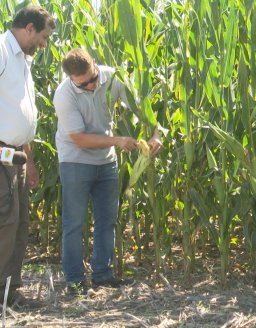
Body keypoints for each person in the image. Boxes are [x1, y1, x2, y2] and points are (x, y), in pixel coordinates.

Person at [53, 48, 162, 296]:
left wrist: (155, 133)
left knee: (107, 220)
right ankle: (75, 282)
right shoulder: (64, 95)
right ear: (72, 79)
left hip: (106, 163)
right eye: (83, 85)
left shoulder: (112, 77)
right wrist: (117, 141)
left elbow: (141, 107)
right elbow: (80, 139)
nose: (91, 87)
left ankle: (102, 275)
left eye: (92, 80)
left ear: (94, 64)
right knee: (75, 223)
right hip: (75, 162)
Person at [0, 5, 55, 308]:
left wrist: (29, 159)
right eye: (44, 36)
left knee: (18, 222)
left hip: (17, 155)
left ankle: (10, 291)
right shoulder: (2, 51)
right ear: (29, 28)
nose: (44, 44)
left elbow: (22, 115)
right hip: (1, 154)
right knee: (5, 221)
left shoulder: (23, 59)